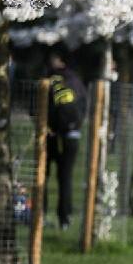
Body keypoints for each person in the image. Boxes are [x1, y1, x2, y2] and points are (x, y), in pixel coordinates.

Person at [46, 53, 86, 230]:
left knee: (42, 176)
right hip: (72, 134)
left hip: (51, 134)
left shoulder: (50, 81)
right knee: (66, 177)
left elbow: (40, 106)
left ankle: (41, 214)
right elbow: (84, 105)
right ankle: (65, 218)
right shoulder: (76, 81)